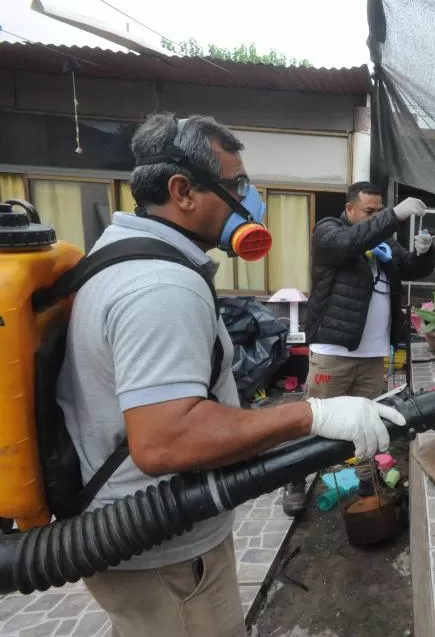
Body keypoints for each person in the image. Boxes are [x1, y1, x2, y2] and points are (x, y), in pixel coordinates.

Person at [57, 113, 405, 637]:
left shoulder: (125, 258)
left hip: (147, 540)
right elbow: (166, 441)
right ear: (183, 191)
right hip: (161, 550)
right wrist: (311, 413)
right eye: (237, 183)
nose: (249, 199)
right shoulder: (159, 287)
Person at [280, 182, 434, 516]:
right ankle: (295, 478)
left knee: (370, 422)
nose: (375, 217)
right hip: (334, 352)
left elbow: (410, 268)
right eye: (369, 211)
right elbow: (351, 243)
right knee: (315, 418)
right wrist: (393, 216)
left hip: (372, 354)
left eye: (379, 211)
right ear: (349, 210)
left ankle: (367, 479)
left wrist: (424, 253)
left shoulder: (383, 243)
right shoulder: (329, 233)